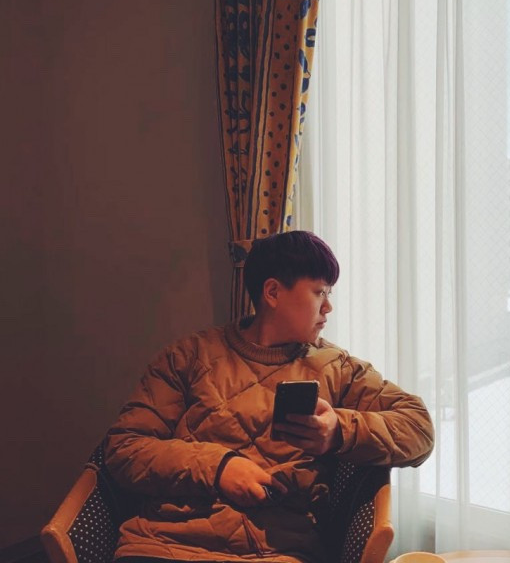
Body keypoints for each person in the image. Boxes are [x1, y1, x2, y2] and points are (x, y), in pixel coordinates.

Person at [105, 231, 434, 563]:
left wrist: (339, 431)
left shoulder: (337, 368)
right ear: (273, 292)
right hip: (163, 545)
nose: (328, 307)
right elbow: (124, 448)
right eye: (319, 292)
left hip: (273, 553)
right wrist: (218, 468)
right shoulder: (189, 356)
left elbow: (419, 428)